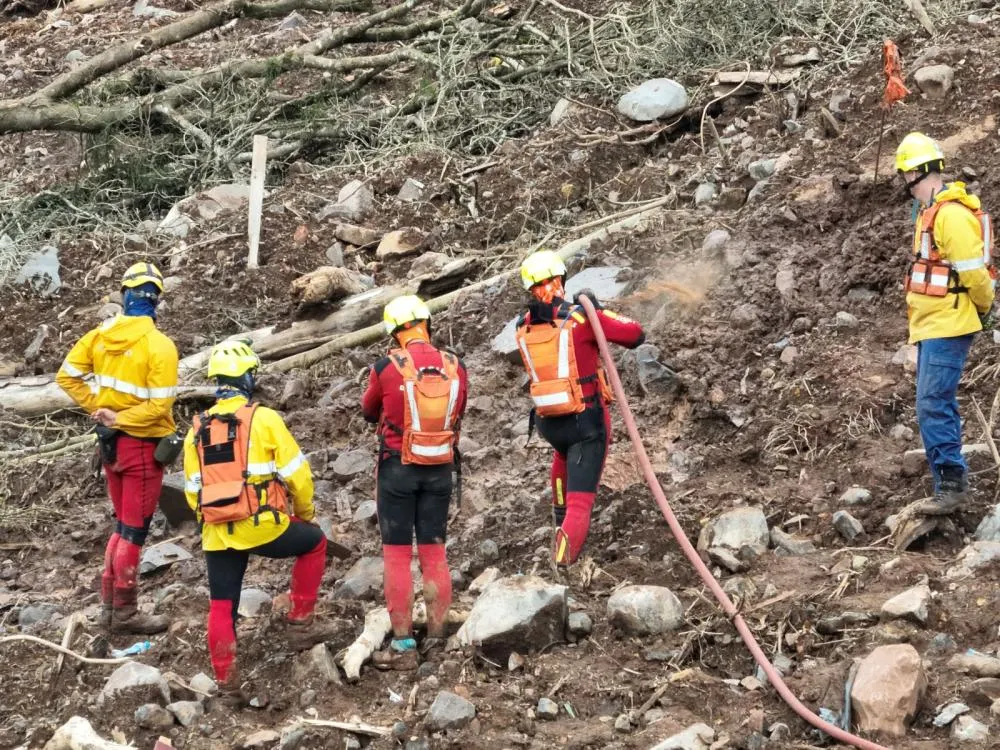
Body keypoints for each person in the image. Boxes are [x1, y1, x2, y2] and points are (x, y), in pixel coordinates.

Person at [183, 340, 332, 698]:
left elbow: (192, 491)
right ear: (247, 378)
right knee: (315, 544)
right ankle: (300, 622)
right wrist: (305, 515)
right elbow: (298, 476)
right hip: (264, 524)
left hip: (218, 532)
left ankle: (225, 680)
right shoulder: (263, 418)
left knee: (222, 604)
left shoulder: (196, 430)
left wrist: (210, 523)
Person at [56, 262, 178, 634]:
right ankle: (124, 614)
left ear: (124, 295)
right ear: (156, 300)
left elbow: (67, 376)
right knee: (135, 531)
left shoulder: (98, 337)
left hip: (110, 448)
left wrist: (98, 408)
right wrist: (119, 418)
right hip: (141, 447)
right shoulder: (160, 346)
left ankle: (109, 611)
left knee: (122, 526)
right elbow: (159, 407)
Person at [515, 250, 645, 576]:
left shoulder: (522, 326)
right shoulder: (580, 319)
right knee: (581, 503)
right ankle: (561, 567)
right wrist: (597, 308)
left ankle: (559, 525)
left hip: (549, 422)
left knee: (563, 459)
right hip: (585, 421)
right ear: (561, 278)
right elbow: (634, 333)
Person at [361, 295, 468, 664]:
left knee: (396, 556)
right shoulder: (455, 365)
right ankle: (438, 635)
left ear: (395, 332)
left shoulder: (385, 367)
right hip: (439, 469)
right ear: (427, 324)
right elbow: (460, 410)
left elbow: (367, 410)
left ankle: (404, 642)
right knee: (434, 552)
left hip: (396, 469)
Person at [895, 132, 996, 514]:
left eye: (907, 175)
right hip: (933, 323)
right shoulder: (931, 212)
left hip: (949, 324)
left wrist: (986, 309)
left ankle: (952, 486)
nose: (905, 184)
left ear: (919, 173)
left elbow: (974, 275)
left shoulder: (951, 215)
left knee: (933, 403)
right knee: (933, 403)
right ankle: (948, 482)